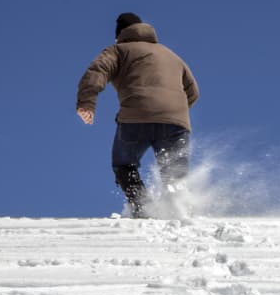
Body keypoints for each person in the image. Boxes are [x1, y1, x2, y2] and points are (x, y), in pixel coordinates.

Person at [76, 12, 199, 218]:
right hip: (176, 122)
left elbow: (97, 71)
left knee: (124, 164)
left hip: (137, 117)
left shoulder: (118, 50)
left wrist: (87, 103)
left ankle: (143, 209)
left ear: (119, 35)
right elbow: (193, 92)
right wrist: (172, 111)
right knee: (175, 176)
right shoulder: (171, 55)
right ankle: (180, 211)